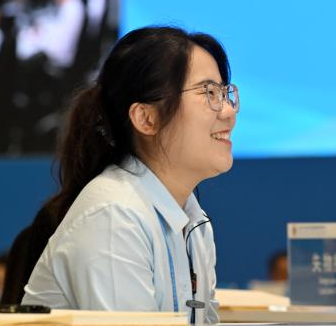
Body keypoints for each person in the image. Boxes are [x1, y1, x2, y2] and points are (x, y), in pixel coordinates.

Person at [19, 26, 239, 324]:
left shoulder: (193, 220)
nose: (228, 111)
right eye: (209, 92)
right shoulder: (113, 215)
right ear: (146, 118)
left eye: (225, 93)